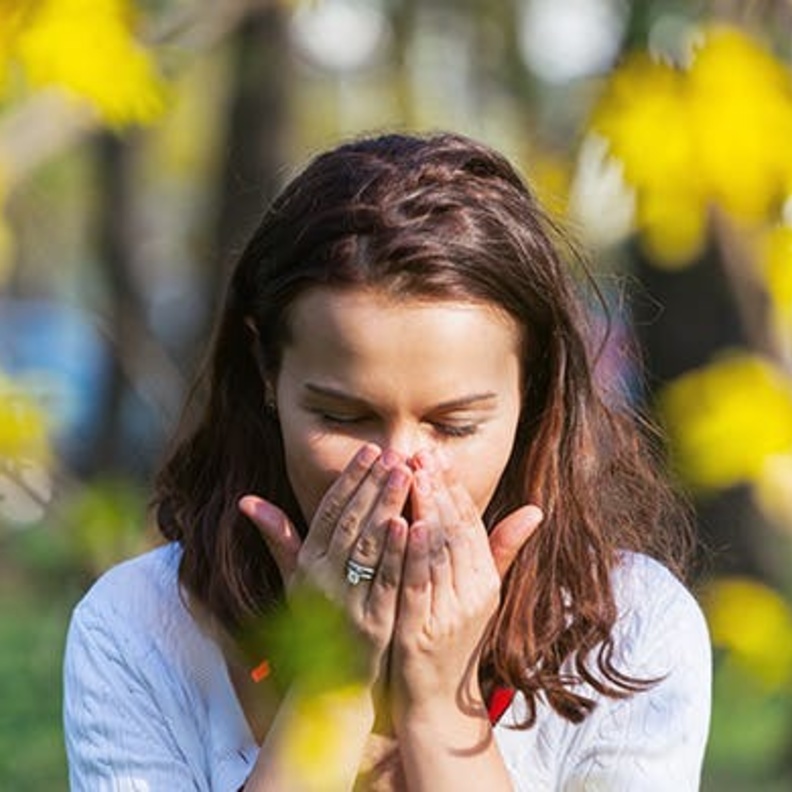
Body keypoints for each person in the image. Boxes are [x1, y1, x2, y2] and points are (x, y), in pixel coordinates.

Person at [63, 131, 711, 791]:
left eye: (454, 425)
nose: (400, 469)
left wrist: (442, 708)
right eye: (342, 417)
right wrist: (328, 689)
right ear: (266, 372)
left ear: (532, 393)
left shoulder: (633, 631)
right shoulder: (140, 627)